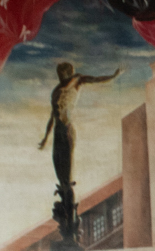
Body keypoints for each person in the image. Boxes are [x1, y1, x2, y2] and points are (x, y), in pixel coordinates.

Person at [38, 60, 120, 240]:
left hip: (67, 130)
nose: (61, 75)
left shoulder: (76, 80)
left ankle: (71, 221)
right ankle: (66, 218)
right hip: (58, 133)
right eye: (59, 73)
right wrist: (45, 138)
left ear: (69, 72)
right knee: (60, 176)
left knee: (67, 178)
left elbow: (95, 79)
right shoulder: (55, 92)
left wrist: (112, 76)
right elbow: (52, 116)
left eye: (63, 72)